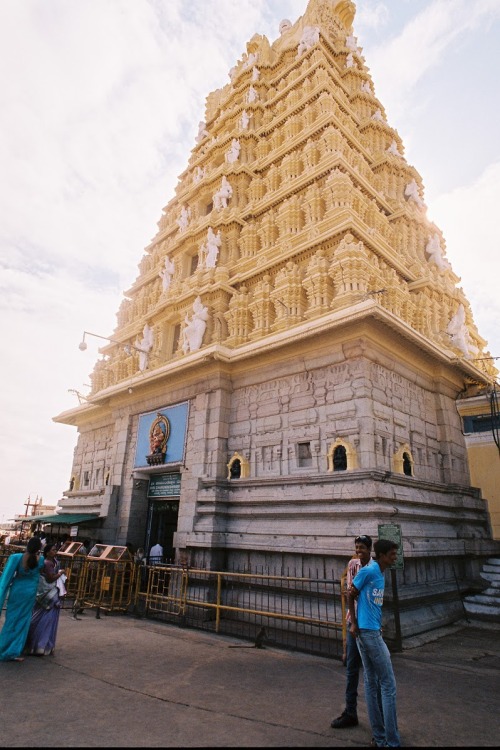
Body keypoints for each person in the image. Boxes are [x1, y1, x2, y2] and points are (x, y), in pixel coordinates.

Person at [348, 539, 401, 748]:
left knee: (372, 683)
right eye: (391, 554)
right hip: (367, 634)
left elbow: (369, 601)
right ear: (380, 555)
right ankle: (392, 741)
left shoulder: (380, 571)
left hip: (370, 630)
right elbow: (350, 593)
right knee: (388, 685)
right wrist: (353, 623)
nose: (394, 557)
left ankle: (380, 738)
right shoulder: (368, 571)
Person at [331, 534, 373, 729]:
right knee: (351, 669)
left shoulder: (375, 568)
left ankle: (379, 720)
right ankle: (350, 712)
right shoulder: (353, 565)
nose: (358, 551)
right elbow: (350, 593)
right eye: (357, 548)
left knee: (374, 674)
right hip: (354, 623)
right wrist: (352, 624)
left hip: (370, 626)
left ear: (369, 549)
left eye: (362, 548)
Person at [0, 536, 43, 661]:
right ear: (39, 548)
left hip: (17, 591)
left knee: (11, 619)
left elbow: (6, 577)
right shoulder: (41, 560)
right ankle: (14, 651)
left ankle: (3, 647)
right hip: (30, 592)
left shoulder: (16, 558)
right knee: (23, 621)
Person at [24, 543, 66, 657]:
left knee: (41, 619)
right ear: (47, 552)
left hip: (44, 593)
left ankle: (38, 645)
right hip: (48, 593)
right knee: (45, 620)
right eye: (53, 550)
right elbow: (50, 578)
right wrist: (60, 573)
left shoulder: (49, 562)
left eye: (55, 550)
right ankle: (40, 645)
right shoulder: (48, 563)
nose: (55, 551)